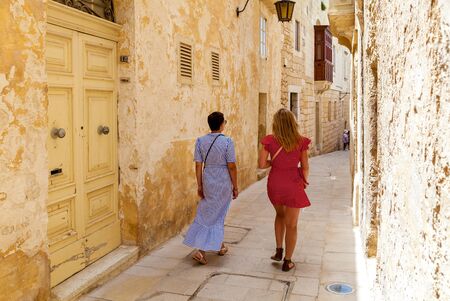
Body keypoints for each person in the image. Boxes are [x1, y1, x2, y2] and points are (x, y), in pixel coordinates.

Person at [258, 108, 311, 272]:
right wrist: (305, 181)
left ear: (276, 123)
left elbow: (261, 164)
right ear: (292, 122)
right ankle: (288, 261)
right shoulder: (300, 141)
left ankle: (279, 250)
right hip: (293, 184)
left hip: (275, 183)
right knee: (292, 225)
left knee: (279, 215)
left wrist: (275, 163)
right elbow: (305, 166)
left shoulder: (269, 141)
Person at [183, 112, 239, 265]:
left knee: (209, 212)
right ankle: (201, 251)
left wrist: (200, 185)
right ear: (221, 124)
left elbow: (198, 165)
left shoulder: (200, 141)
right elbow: (232, 166)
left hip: (208, 178)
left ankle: (219, 246)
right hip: (223, 180)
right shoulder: (227, 141)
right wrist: (235, 186)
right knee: (218, 213)